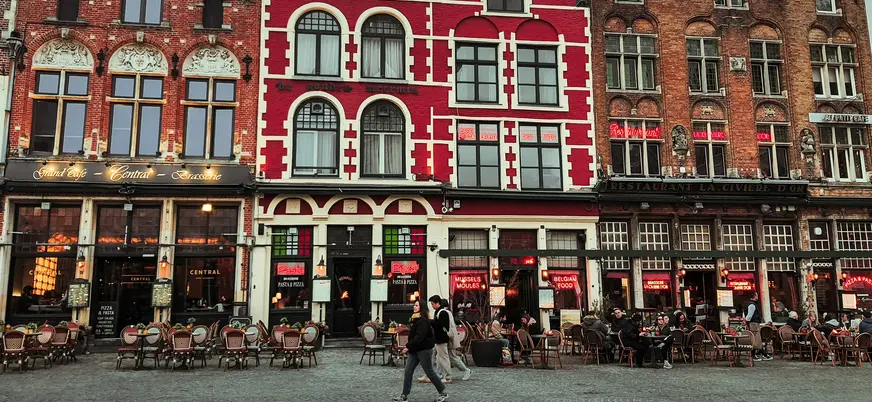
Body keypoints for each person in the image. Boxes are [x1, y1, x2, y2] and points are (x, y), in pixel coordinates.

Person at [393, 300, 448, 402]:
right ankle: (404, 395)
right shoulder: (415, 319)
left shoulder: (422, 320)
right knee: (408, 371)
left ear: (421, 308)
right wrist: (411, 346)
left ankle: (443, 393)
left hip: (424, 350)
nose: (414, 307)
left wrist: (408, 347)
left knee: (429, 372)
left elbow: (419, 337)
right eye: (414, 305)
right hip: (415, 349)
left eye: (416, 305)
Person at [426, 296, 472, 383]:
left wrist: (432, 322)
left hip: (445, 338)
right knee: (442, 356)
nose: (431, 306)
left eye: (432, 304)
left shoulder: (444, 313)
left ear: (438, 303)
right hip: (445, 338)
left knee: (445, 357)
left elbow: (445, 326)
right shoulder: (443, 312)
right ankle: (441, 374)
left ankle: (447, 375)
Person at [743, 292, 772, 361]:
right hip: (753, 323)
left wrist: (745, 320)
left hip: (751, 323)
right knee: (756, 339)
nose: (758, 297)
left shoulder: (747, 304)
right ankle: (757, 355)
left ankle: (761, 354)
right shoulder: (752, 305)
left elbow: (744, 314)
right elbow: (749, 315)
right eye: (757, 295)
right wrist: (746, 320)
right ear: (754, 296)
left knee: (755, 339)